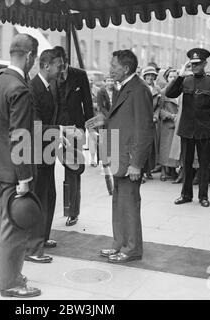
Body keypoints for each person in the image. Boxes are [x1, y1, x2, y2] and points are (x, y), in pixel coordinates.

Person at [0, 33, 41, 297]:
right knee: (13, 229)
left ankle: (9, 276)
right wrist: (24, 176)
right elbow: (20, 135)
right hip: (13, 172)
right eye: (35, 58)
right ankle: (10, 284)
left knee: (3, 225)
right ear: (29, 57)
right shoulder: (19, 88)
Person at [86, 49, 154, 263]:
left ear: (126, 68)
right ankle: (119, 243)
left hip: (128, 158)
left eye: (114, 66)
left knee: (129, 204)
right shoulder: (125, 87)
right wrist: (104, 120)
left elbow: (144, 129)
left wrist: (137, 164)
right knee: (119, 202)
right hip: (119, 155)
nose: (110, 69)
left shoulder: (139, 90)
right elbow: (125, 119)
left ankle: (132, 248)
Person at [26, 49, 76, 263]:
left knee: (48, 196)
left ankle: (42, 238)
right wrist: (61, 129)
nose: (61, 70)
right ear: (46, 66)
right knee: (38, 198)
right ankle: (32, 247)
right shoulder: (32, 89)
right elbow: (35, 126)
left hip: (47, 150)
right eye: (58, 66)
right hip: (35, 152)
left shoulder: (50, 86)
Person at [166, 48, 210, 208]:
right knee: (187, 163)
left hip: (205, 129)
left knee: (204, 164)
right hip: (187, 129)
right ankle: (186, 194)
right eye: (192, 64)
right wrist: (180, 75)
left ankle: (203, 196)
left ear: (205, 63)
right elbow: (170, 94)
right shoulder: (185, 80)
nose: (195, 66)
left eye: (198, 64)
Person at [54, 46, 94, 227]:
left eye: (63, 66)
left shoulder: (79, 75)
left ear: (67, 62)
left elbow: (87, 101)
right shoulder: (51, 73)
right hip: (53, 127)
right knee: (45, 168)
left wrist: (88, 127)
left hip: (75, 128)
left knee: (72, 169)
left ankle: (73, 212)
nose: (60, 70)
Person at [157, 68, 179, 181]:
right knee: (165, 147)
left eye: (175, 76)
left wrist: (178, 116)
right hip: (167, 123)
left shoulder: (181, 91)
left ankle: (173, 170)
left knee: (175, 148)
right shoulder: (163, 92)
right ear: (166, 78)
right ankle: (163, 171)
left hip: (178, 123)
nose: (173, 79)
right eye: (171, 76)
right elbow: (159, 109)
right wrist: (170, 116)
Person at [96, 76, 117, 195]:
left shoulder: (117, 92)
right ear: (105, 82)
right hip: (105, 121)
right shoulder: (101, 92)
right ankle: (110, 186)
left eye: (112, 81)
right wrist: (110, 116)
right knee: (104, 151)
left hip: (115, 122)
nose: (110, 83)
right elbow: (101, 107)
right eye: (108, 80)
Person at [141, 66, 162, 182]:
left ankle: (148, 170)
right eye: (148, 75)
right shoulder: (140, 88)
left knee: (151, 147)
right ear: (144, 76)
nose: (150, 77)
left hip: (152, 122)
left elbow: (159, 105)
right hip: (142, 122)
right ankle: (142, 171)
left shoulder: (157, 89)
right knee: (142, 147)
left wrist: (155, 116)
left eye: (152, 75)